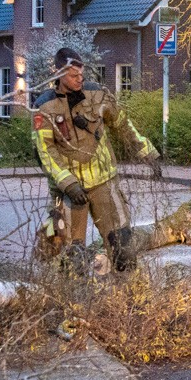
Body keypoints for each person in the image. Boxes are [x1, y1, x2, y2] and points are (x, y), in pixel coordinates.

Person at [32, 48, 156, 271]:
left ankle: (127, 296)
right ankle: (76, 302)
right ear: (59, 75)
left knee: (123, 244)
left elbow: (122, 124)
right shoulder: (44, 107)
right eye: (73, 76)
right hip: (68, 192)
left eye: (81, 75)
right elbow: (45, 151)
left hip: (104, 183)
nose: (79, 79)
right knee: (71, 255)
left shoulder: (97, 95)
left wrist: (147, 152)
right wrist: (68, 183)